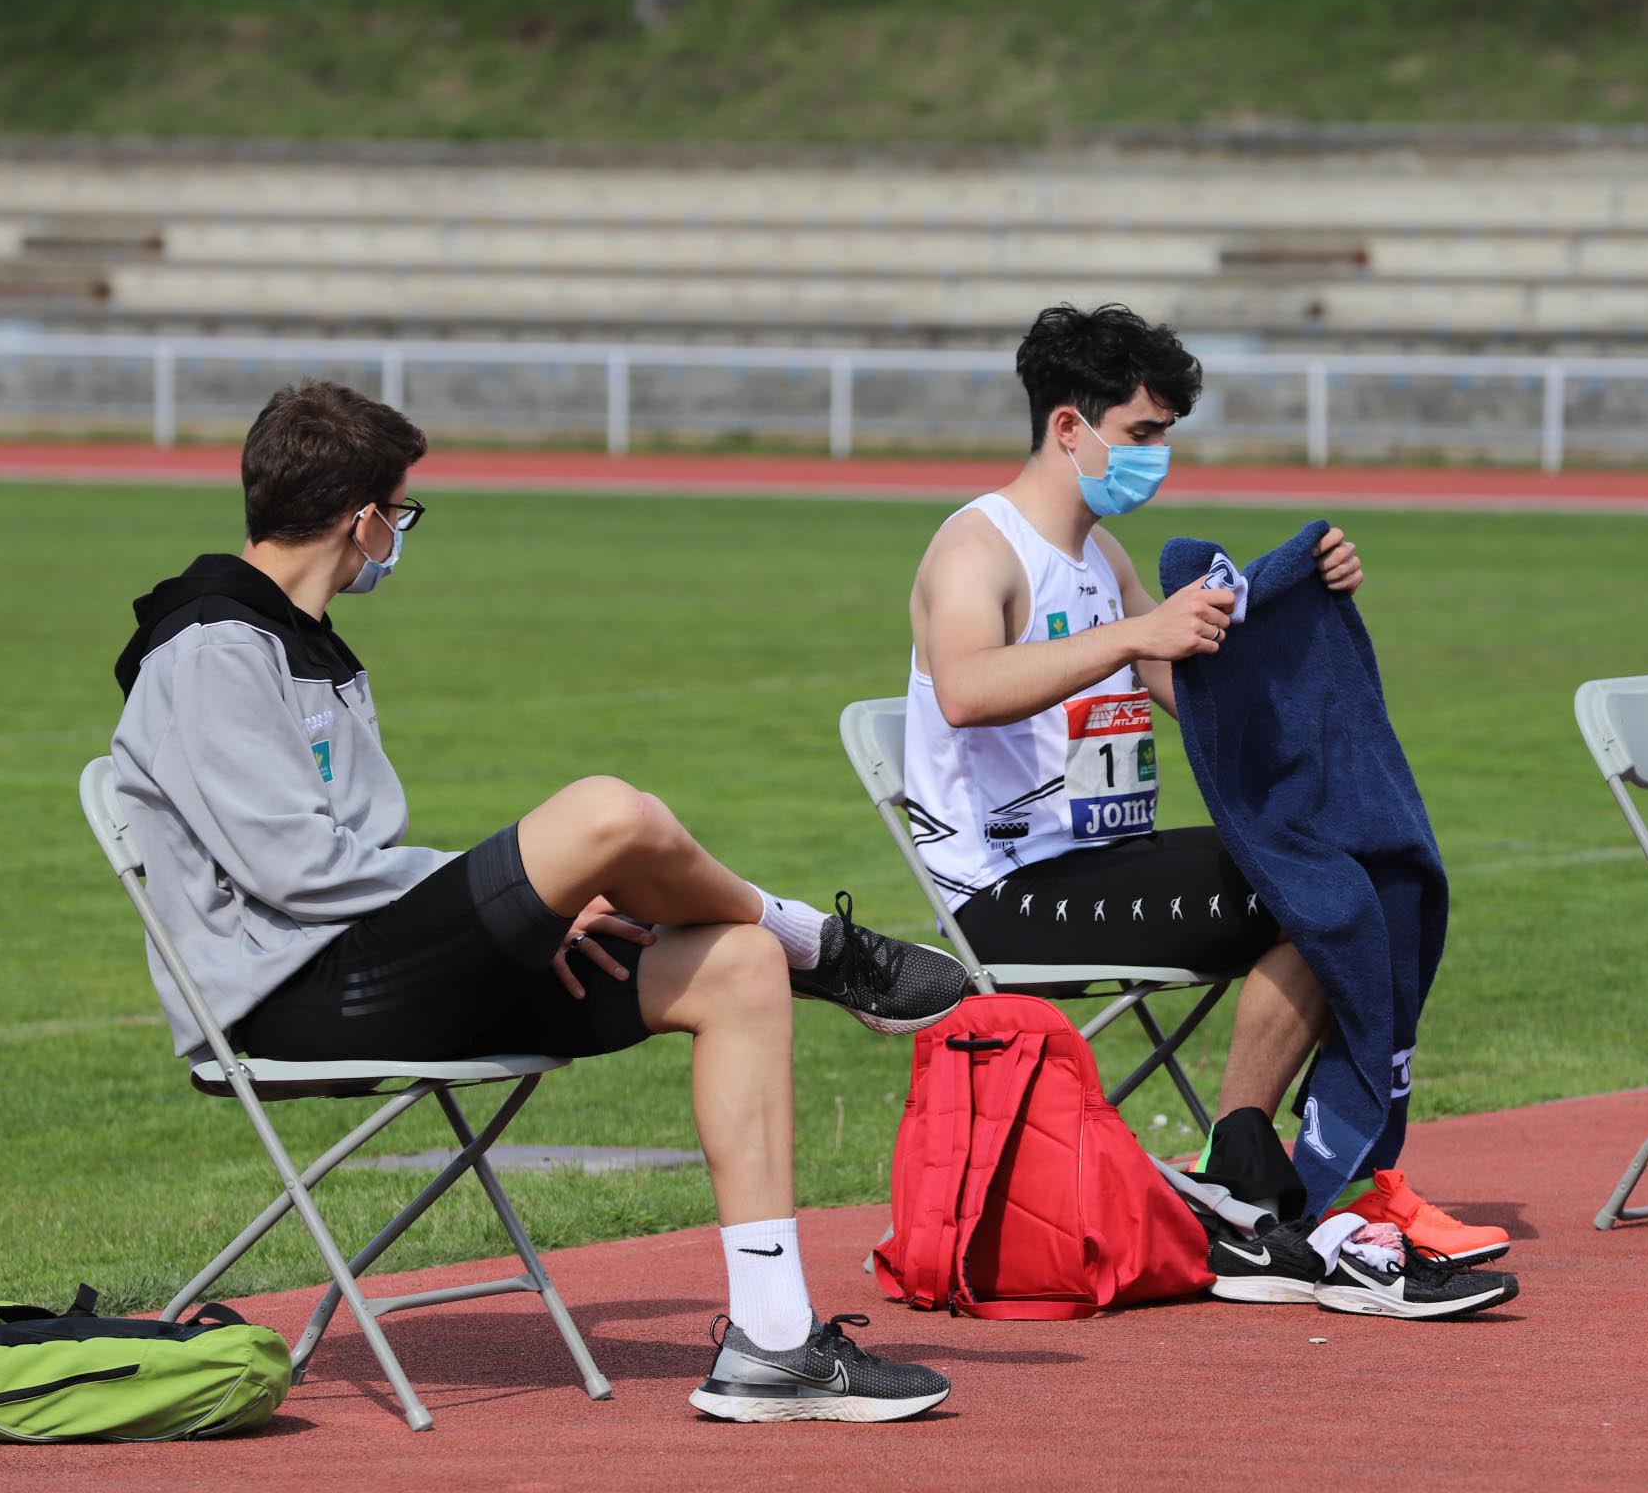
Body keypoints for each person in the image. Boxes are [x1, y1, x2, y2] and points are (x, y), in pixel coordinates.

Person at [111, 380, 969, 1421]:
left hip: (381, 965)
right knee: (605, 815)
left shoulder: (298, 635)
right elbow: (301, 871)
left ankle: (776, 1343)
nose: (399, 535)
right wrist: (531, 898)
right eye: (401, 511)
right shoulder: (211, 647)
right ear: (363, 519)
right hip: (287, 995)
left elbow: (346, 854)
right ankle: (812, 938)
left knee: (731, 969)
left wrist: (517, 918)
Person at [902, 303, 1515, 1317]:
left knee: (1345, 863)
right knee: (1317, 887)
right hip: (1008, 890)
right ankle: (1259, 1180)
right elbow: (966, 686)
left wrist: (1294, 598)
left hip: (1101, 865)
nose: (1157, 458)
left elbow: (1193, 692)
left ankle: (1250, 1167)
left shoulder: (1101, 561)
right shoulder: (979, 549)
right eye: (1142, 434)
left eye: (1167, 436)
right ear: (1069, 428)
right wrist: (1136, 632)